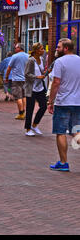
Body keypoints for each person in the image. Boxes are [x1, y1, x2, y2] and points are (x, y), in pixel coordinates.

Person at [48, 38, 80, 171]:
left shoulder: (59, 62)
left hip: (63, 102)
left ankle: (63, 162)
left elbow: (56, 82)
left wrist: (51, 101)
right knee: (76, 131)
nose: (56, 49)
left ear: (66, 48)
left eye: (58, 47)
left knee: (60, 132)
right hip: (78, 101)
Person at [24, 42, 47, 136]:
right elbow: (26, 74)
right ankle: (28, 129)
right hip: (31, 88)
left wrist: (46, 73)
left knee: (44, 106)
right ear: (36, 51)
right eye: (41, 49)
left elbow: (42, 72)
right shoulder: (31, 61)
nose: (43, 50)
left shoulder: (42, 59)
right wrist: (37, 77)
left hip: (40, 87)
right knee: (30, 108)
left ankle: (35, 124)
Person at [5, 43, 29, 120]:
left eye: (16, 48)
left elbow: (9, 68)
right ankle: (24, 111)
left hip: (16, 79)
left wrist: (6, 77)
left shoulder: (14, 56)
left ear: (19, 48)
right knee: (24, 96)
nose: (15, 49)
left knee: (18, 97)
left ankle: (21, 113)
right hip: (25, 79)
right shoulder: (28, 56)